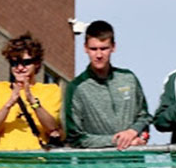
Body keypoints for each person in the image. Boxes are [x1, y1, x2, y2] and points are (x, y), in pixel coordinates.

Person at [64, 20, 151, 148]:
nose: (99, 55)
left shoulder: (128, 78)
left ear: (113, 47)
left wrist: (135, 133)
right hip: (97, 165)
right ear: (85, 48)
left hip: (133, 164)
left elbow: (144, 117)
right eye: (93, 49)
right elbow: (75, 137)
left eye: (104, 48)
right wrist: (116, 141)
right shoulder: (76, 88)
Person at [0, 34, 62, 150]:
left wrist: (32, 101)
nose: (20, 68)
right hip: (5, 162)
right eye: (15, 63)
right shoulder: (0, 88)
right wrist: (9, 103)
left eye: (26, 63)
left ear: (36, 63)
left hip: (36, 162)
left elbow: (52, 127)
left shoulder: (51, 90)